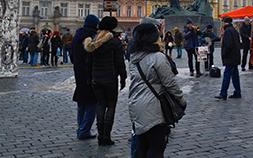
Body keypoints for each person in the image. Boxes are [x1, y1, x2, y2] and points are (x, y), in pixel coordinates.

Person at [129, 20, 185, 157]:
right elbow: (170, 84)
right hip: (155, 107)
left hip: (135, 104)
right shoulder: (158, 57)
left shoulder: (133, 57)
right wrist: (181, 100)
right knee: (156, 147)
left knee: (141, 145)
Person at [84, 16, 127, 146]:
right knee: (111, 106)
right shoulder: (114, 42)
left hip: (96, 79)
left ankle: (100, 135)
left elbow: (89, 62)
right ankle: (106, 136)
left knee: (100, 105)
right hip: (110, 79)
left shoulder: (94, 41)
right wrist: (123, 77)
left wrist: (89, 78)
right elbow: (120, 62)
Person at [71, 14, 100, 140]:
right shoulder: (91, 37)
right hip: (89, 74)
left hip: (79, 73)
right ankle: (84, 130)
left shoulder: (77, 36)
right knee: (92, 103)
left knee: (82, 103)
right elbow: (93, 56)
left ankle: (81, 128)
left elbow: (72, 54)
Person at [215, 16, 242, 100]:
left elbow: (228, 45)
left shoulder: (227, 31)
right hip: (235, 56)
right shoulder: (234, 30)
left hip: (230, 57)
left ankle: (223, 93)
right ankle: (237, 92)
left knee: (227, 75)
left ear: (225, 23)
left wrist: (224, 54)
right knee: (235, 76)